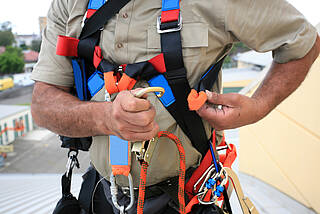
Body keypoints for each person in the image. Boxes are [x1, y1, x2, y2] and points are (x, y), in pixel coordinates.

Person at [31, 0, 320, 213]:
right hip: (100, 194)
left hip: (187, 198)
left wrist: (259, 106)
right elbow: (43, 104)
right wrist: (103, 117)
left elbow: (302, 41)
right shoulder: (72, 4)